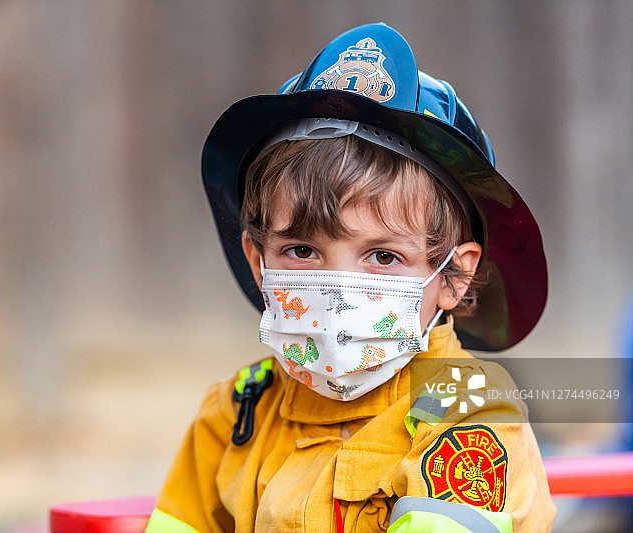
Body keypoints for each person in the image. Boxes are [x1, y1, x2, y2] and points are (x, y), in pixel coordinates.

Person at [147, 23, 555, 532]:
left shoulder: (469, 412)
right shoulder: (234, 414)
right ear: (259, 261)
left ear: (452, 275)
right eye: (301, 250)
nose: (338, 291)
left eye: (382, 257)